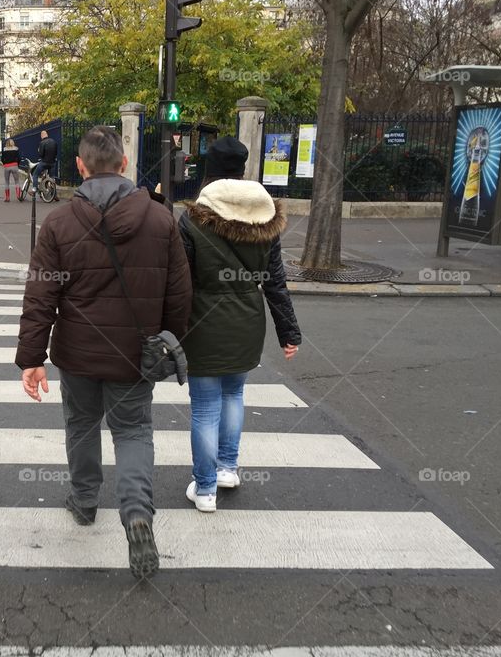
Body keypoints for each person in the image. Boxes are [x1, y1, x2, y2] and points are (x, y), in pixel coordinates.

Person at [16, 126, 192, 579]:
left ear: (80, 166)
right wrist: (170, 341)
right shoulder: (160, 220)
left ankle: (85, 501)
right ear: (124, 165)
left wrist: (32, 358)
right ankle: (136, 513)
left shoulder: (58, 223)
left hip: (77, 352)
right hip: (135, 355)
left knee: (81, 425)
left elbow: (41, 296)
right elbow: (179, 295)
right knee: (133, 432)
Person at [178, 136, 301, 513]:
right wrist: (289, 332)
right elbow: (275, 281)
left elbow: (180, 283)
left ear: (209, 172)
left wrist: (165, 329)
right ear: (244, 170)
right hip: (248, 322)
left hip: (202, 324)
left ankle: (206, 487)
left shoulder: (192, 219)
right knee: (234, 395)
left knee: (204, 408)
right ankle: (227, 468)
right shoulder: (266, 217)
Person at [34, 129, 59, 200]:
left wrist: (39, 151)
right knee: (52, 178)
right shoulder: (54, 142)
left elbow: (41, 154)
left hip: (44, 162)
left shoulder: (42, 143)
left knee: (35, 175)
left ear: (42, 136)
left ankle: (34, 190)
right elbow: (56, 152)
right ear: (47, 134)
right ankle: (55, 195)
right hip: (52, 163)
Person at [1, 138, 21, 202]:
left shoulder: (4, 149)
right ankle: (18, 195)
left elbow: (2, 158)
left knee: (7, 182)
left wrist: (4, 163)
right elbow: (19, 158)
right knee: (17, 181)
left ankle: (7, 198)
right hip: (14, 165)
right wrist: (17, 164)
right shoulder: (16, 149)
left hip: (7, 166)